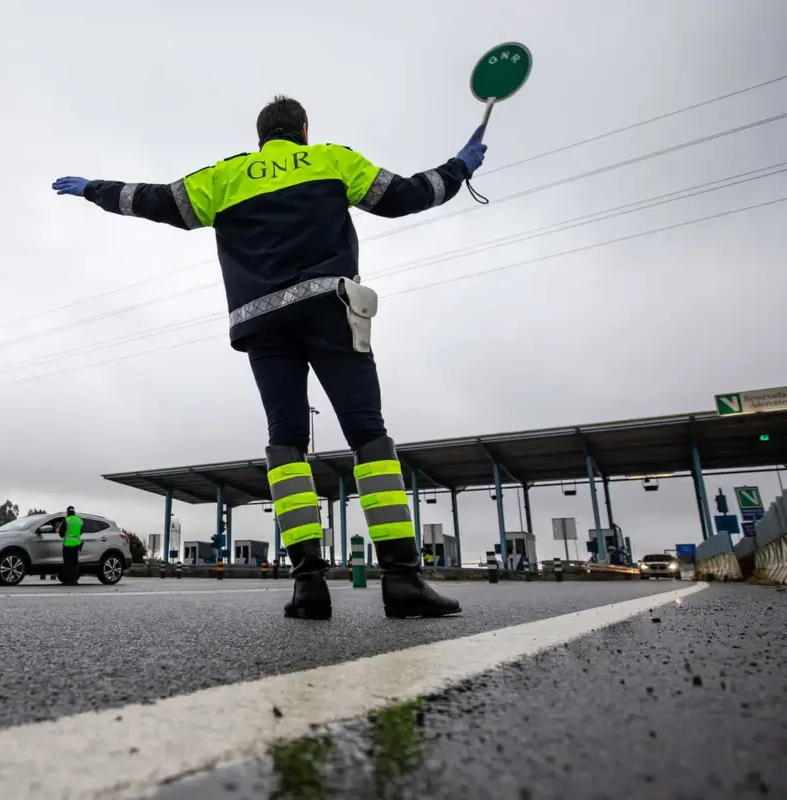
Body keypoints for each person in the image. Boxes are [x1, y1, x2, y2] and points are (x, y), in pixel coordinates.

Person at [52, 96, 487, 620]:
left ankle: (309, 588)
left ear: (261, 137)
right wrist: (459, 167)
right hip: (330, 310)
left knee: (286, 442)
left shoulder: (225, 177)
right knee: (367, 433)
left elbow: (151, 199)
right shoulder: (331, 160)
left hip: (262, 325)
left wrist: (93, 189)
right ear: (303, 129)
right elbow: (407, 195)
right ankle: (402, 581)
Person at [60, 505, 83, 585]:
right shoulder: (79, 521)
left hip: (67, 545)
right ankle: (75, 580)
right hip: (76, 545)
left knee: (68, 563)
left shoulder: (66, 520)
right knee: (75, 563)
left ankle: (69, 580)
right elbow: (81, 532)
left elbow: (61, 533)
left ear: (67, 512)